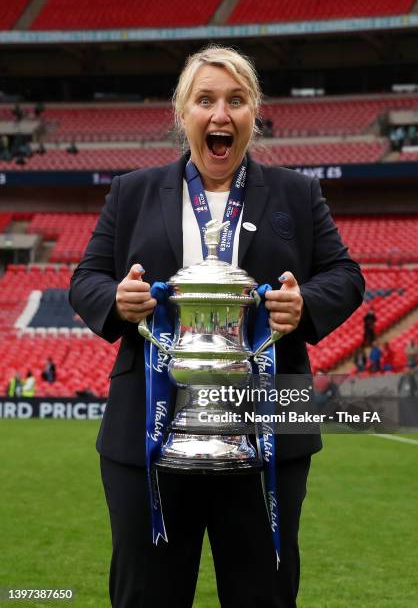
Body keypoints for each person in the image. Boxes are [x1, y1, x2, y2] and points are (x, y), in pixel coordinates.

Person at [69, 45, 364, 608]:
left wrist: (304, 305)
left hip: (267, 429)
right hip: (148, 432)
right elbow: (86, 280)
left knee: (263, 595)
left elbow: (346, 275)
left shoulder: (297, 193)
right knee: (145, 595)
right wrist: (119, 298)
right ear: (183, 115)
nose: (220, 114)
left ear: (256, 112)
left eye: (236, 100)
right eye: (204, 100)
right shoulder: (131, 192)